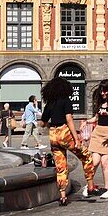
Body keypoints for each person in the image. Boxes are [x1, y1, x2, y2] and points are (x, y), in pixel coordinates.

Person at [40, 76, 96, 206]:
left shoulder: (50, 104)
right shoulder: (66, 100)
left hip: (53, 135)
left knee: (61, 167)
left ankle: (63, 196)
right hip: (64, 133)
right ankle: (91, 185)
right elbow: (69, 119)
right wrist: (76, 139)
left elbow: (42, 123)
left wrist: (50, 125)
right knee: (86, 156)